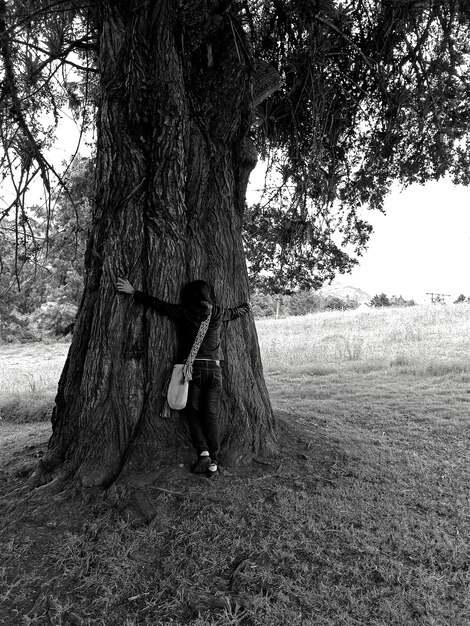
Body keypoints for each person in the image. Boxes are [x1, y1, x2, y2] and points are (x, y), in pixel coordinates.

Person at [116, 277, 250, 477]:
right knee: (211, 415)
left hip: (192, 370)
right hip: (214, 369)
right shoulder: (219, 312)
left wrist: (134, 291)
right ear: (207, 294)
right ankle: (214, 461)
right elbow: (236, 312)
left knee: (194, 413)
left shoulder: (185, 312)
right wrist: (247, 305)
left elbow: (159, 305)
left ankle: (203, 451)